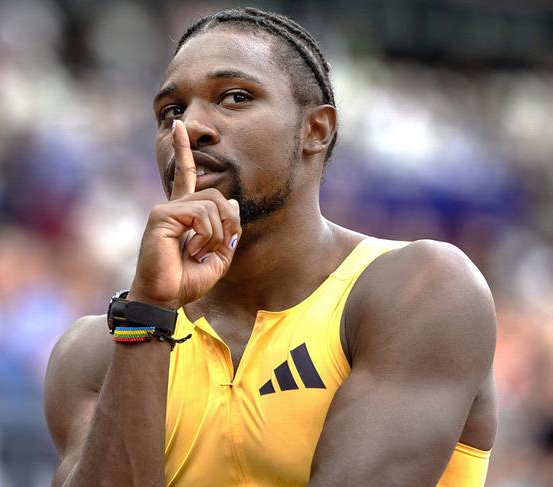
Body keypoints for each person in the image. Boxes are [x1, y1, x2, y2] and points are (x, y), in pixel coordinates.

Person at [44, 7, 497, 486]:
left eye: (235, 97)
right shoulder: (96, 352)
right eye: (170, 112)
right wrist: (149, 314)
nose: (189, 127)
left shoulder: (421, 289)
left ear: (315, 130)